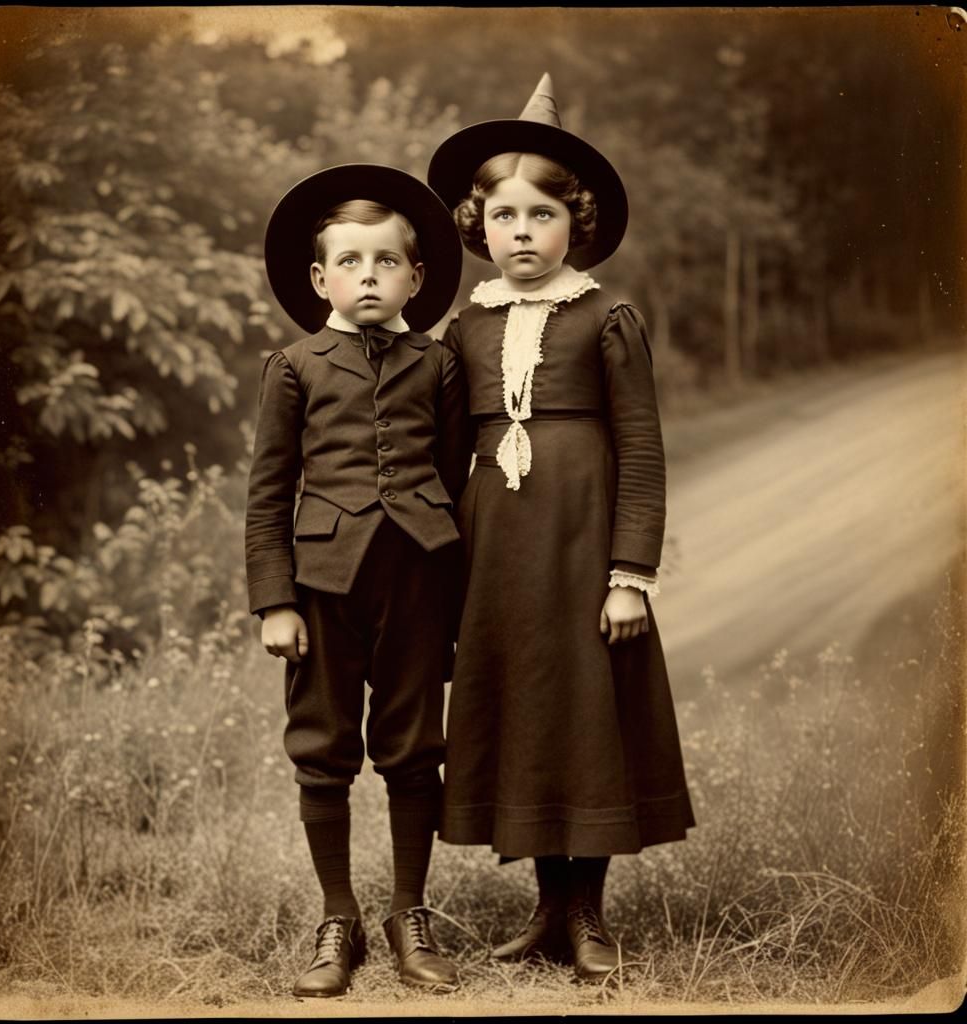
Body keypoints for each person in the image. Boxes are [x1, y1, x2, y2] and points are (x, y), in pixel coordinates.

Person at [427, 74, 696, 982]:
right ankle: (546, 908)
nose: (521, 234)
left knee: (585, 712)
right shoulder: (467, 324)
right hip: (499, 551)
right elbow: (440, 443)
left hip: (584, 546)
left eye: (541, 215)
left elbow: (645, 454)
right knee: (528, 709)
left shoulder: (606, 317)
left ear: (575, 224)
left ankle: (589, 913)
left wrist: (630, 574)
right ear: (479, 227)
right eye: (503, 217)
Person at [245, 164, 472, 998]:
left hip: (417, 578)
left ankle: (409, 915)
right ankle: (337, 917)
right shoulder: (295, 366)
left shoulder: (439, 364)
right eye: (349, 262)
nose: (366, 277)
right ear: (319, 278)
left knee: (415, 750)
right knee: (323, 748)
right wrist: (275, 601)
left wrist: (455, 596)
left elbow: (452, 478)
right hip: (322, 587)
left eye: (384, 263)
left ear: (416, 276)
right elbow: (268, 492)